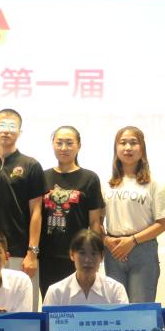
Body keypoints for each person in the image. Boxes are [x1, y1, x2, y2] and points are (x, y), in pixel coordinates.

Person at [101, 126, 165, 331]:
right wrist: (107, 240)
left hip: (141, 250)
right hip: (113, 250)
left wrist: (133, 240)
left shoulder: (153, 184)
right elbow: (96, 221)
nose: (128, 148)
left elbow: (162, 222)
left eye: (133, 143)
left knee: (141, 317)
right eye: (122, 143)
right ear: (116, 148)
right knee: (119, 318)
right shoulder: (107, 183)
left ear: (142, 148)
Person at [0, 109, 45, 309]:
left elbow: (36, 211)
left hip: (21, 254)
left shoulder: (31, 165)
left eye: (12, 126)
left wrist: (32, 252)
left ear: (19, 132)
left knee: (23, 312)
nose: (6, 131)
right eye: (2, 126)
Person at [39, 126, 104, 298]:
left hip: (79, 255)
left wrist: (96, 253)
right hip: (47, 256)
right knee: (51, 304)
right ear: (53, 144)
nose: (64, 148)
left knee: (79, 302)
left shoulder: (89, 178)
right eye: (59, 143)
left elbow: (95, 222)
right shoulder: (42, 176)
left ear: (78, 146)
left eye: (69, 143)